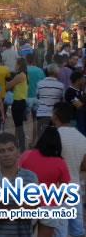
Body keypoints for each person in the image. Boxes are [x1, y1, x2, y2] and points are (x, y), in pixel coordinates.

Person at [0, 132, 39, 237]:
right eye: (2, 151)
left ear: (18, 151)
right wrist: (20, 205)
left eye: (10, 149)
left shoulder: (30, 177)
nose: (6, 154)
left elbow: (31, 210)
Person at [19, 126, 71, 237]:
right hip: (50, 206)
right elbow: (66, 192)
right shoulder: (60, 162)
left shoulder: (26, 155)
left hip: (28, 203)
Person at [52, 102, 86, 237]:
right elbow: (84, 166)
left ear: (55, 116)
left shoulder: (53, 137)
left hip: (57, 190)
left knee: (60, 231)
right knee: (77, 230)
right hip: (75, 187)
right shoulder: (82, 138)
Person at [5, 58, 28, 152]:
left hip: (18, 102)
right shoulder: (24, 75)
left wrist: (5, 81)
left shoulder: (19, 76)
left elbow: (8, 86)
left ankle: (22, 146)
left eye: (16, 63)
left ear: (19, 65)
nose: (15, 65)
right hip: (21, 102)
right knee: (18, 125)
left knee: (19, 125)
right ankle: (17, 144)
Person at [35, 64, 64, 139]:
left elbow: (37, 96)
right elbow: (61, 100)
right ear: (56, 73)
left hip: (41, 113)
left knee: (41, 137)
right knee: (53, 137)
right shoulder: (61, 86)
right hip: (54, 115)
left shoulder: (39, 83)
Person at [26, 53, 46, 145]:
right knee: (35, 120)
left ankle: (20, 140)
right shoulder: (39, 70)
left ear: (26, 60)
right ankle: (33, 141)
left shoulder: (24, 70)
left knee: (20, 121)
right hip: (36, 98)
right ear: (34, 60)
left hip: (24, 98)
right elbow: (43, 83)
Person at [64, 71, 86, 137]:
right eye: (83, 78)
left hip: (82, 120)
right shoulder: (70, 91)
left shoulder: (80, 91)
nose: (84, 80)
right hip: (74, 121)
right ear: (78, 80)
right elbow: (79, 106)